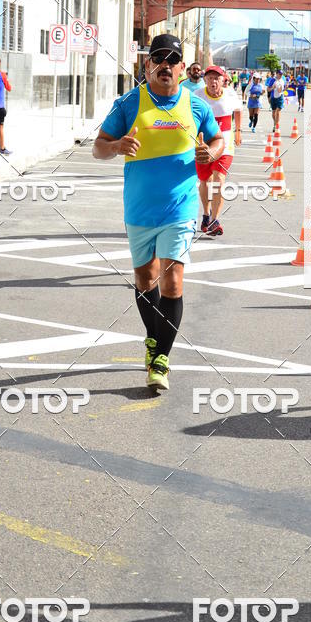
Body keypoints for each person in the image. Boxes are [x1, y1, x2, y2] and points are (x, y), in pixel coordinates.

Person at [92, 34, 223, 391]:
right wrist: (117, 145)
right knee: (145, 279)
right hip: (139, 209)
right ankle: (153, 339)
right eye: (158, 59)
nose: (165, 65)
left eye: (172, 60)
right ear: (148, 65)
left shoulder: (197, 106)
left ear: (183, 68)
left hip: (180, 209)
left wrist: (212, 152)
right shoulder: (129, 103)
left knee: (172, 280)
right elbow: (97, 149)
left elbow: (218, 138)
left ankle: (160, 359)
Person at [194, 65, 242, 236]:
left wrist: (238, 130)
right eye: (210, 78)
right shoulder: (197, 96)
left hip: (225, 146)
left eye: (217, 78)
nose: (213, 81)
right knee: (205, 181)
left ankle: (215, 220)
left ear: (223, 80)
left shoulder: (230, 94)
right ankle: (206, 214)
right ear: (204, 80)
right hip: (203, 146)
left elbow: (237, 111)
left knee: (218, 181)